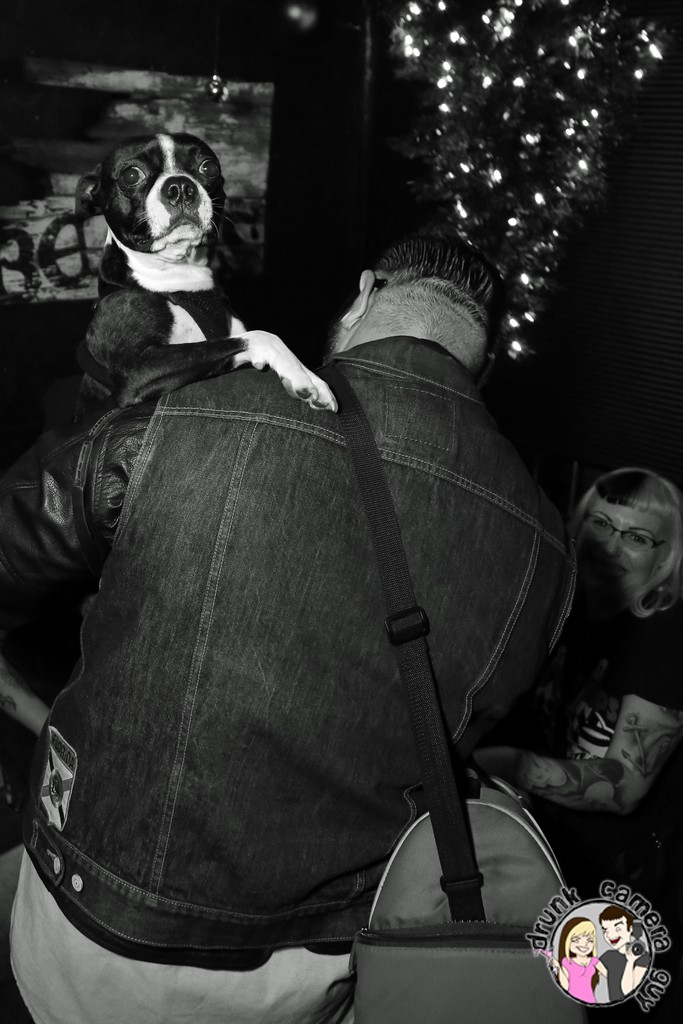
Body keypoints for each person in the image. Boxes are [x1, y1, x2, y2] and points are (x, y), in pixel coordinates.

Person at [0, 233, 575, 1024]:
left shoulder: (189, 409)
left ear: (365, 292)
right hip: (316, 961)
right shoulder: (547, 545)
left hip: (105, 925)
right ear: (484, 359)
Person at [476, 467, 683, 1017]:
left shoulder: (667, 635)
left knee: (601, 1007)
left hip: (621, 881)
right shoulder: (563, 607)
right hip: (549, 856)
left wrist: (507, 764)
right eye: (602, 523)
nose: (611, 546)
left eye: (636, 537)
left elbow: (623, 786)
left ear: (666, 557)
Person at [599, 905, 650, 1002]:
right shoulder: (608, 956)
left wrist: (630, 961)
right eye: (605, 930)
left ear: (630, 929)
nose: (610, 935)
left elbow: (627, 991)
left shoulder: (643, 957)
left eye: (617, 929)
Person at [551, 916, 607, 1004]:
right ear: (567, 941)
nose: (584, 944)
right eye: (576, 940)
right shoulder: (566, 962)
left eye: (589, 940)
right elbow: (565, 986)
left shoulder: (594, 961)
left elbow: (610, 976)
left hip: (590, 1001)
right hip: (571, 1002)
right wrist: (558, 967)